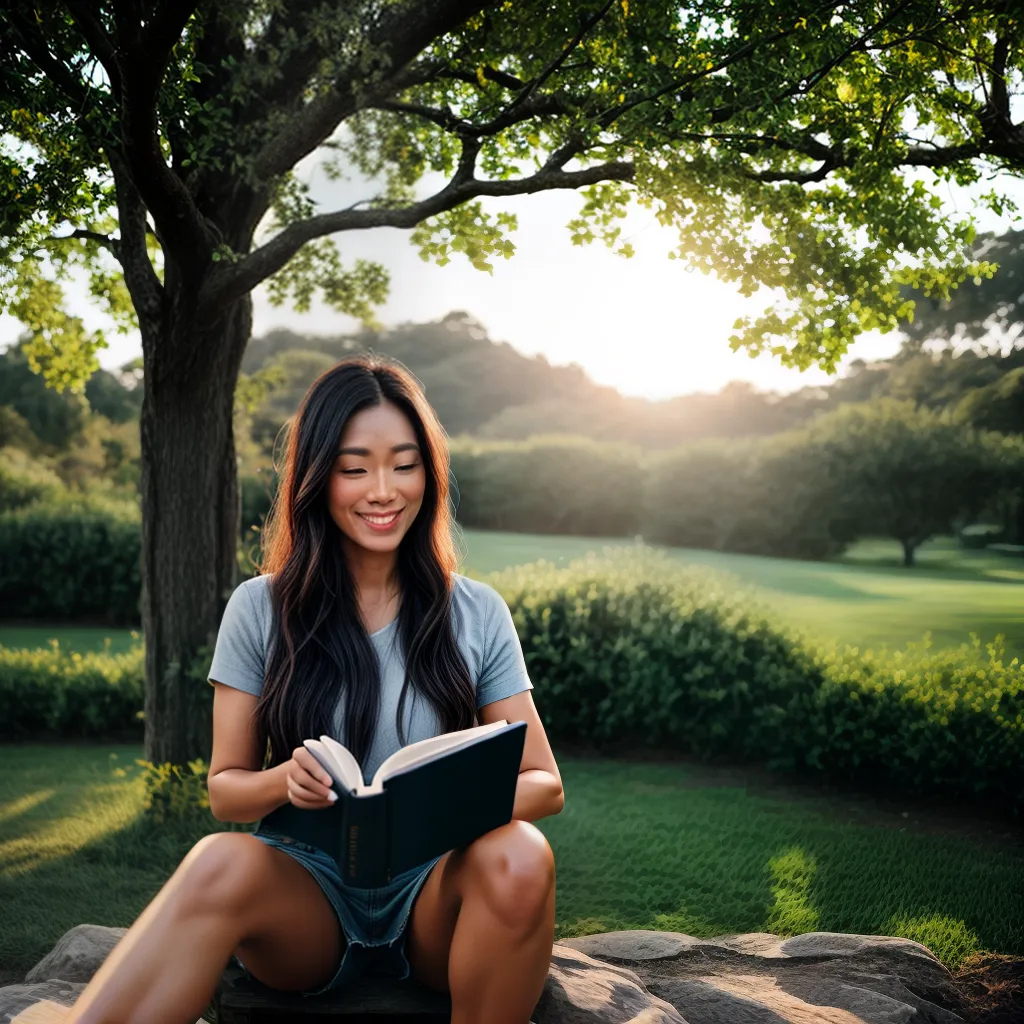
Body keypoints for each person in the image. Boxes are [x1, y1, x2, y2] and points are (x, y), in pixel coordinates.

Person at [29, 355, 563, 1024]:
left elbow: (545, 781)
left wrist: (446, 805)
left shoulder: (476, 611)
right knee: (219, 858)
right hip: (306, 899)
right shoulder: (259, 607)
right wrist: (285, 781)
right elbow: (225, 789)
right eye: (354, 467)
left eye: (404, 464)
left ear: (429, 471)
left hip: (435, 898)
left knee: (521, 853)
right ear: (316, 477)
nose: (383, 490)